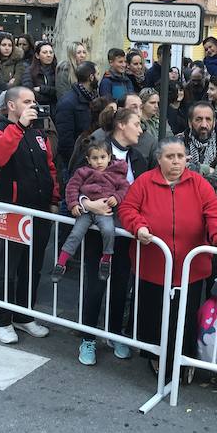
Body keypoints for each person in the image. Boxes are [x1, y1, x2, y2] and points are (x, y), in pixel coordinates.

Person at [119, 137, 217, 375]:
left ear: (187, 159)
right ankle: (155, 357)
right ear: (159, 159)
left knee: (184, 315)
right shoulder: (144, 182)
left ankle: (181, 360)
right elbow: (127, 209)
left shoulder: (199, 183)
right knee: (153, 314)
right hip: (153, 265)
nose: (176, 162)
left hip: (188, 268)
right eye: (170, 157)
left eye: (180, 157)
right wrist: (138, 226)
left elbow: (214, 212)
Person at [0, 86, 59, 343]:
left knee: (33, 267)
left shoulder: (39, 134)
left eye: (34, 101)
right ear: (12, 105)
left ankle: (24, 315)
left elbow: (50, 166)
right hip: (11, 211)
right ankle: (2, 319)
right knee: (7, 269)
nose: (33, 105)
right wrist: (18, 128)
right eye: (27, 101)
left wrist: (54, 198)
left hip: (38, 210)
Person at [75, 106, 147, 365]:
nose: (141, 129)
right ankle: (88, 339)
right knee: (95, 286)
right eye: (137, 123)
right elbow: (70, 181)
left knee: (121, 286)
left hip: (125, 232)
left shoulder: (137, 157)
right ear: (121, 125)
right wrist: (86, 203)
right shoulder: (94, 147)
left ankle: (115, 333)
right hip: (97, 231)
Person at [52, 140, 129, 282]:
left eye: (102, 157)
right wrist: (74, 204)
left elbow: (124, 188)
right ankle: (61, 262)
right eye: (95, 158)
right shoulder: (83, 172)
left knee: (108, 230)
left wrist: (116, 197)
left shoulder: (116, 173)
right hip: (86, 211)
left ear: (109, 157)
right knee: (75, 233)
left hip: (104, 211)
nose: (99, 162)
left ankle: (106, 259)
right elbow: (71, 187)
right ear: (88, 160)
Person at [179, 102, 217, 208]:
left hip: (214, 206)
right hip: (183, 204)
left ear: (214, 122)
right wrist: (208, 169)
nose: (204, 125)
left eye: (208, 119)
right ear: (190, 122)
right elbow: (174, 173)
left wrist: (191, 168)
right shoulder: (177, 143)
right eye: (198, 119)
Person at [55, 61, 98, 167]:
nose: (99, 77)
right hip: (77, 162)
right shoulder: (68, 102)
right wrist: (76, 161)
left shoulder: (94, 98)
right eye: (98, 74)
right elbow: (65, 140)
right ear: (91, 77)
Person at [21, 41, 58, 111]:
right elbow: (28, 91)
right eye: (45, 52)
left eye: (51, 52)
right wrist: (49, 97)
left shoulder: (58, 71)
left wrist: (41, 89)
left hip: (56, 109)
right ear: (37, 55)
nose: (49, 55)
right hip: (36, 108)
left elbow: (58, 91)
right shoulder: (29, 71)